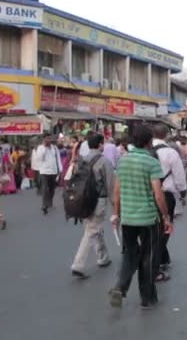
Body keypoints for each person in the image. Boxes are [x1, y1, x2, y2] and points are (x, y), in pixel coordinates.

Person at [108, 125, 173, 310]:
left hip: (128, 219)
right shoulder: (151, 162)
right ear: (148, 142)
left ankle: (120, 286)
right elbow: (159, 195)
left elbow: (117, 191)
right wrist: (166, 217)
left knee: (130, 254)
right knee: (149, 257)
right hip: (149, 219)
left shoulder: (123, 161)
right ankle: (147, 297)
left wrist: (116, 214)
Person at [70, 133, 115, 279]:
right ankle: (78, 264)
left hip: (82, 200)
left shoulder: (82, 160)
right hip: (98, 200)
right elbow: (110, 187)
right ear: (101, 144)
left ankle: (103, 256)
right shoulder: (104, 162)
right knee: (91, 231)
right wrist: (116, 207)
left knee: (93, 228)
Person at [151, 124, 187, 282]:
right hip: (166, 195)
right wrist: (183, 193)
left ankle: (163, 258)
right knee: (165, 228)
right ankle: (155, 262)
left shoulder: (144, 150)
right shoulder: (170, 153)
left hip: (147, 195)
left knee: (153, 228)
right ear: (166, 135)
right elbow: (180, 177)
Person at [35, 135, 62, 215]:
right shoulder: (40, 148)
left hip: (53, 171)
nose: (48, 140)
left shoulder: (54, 148)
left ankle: (50, 202)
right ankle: (44, 205)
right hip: (44, 171)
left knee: (52, 188)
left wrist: (60, 169)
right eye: (47, 138)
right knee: (44, 187)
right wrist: (44, 148)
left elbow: (58, 158)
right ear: (44, 140)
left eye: (49, 138)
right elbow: (39, 158)